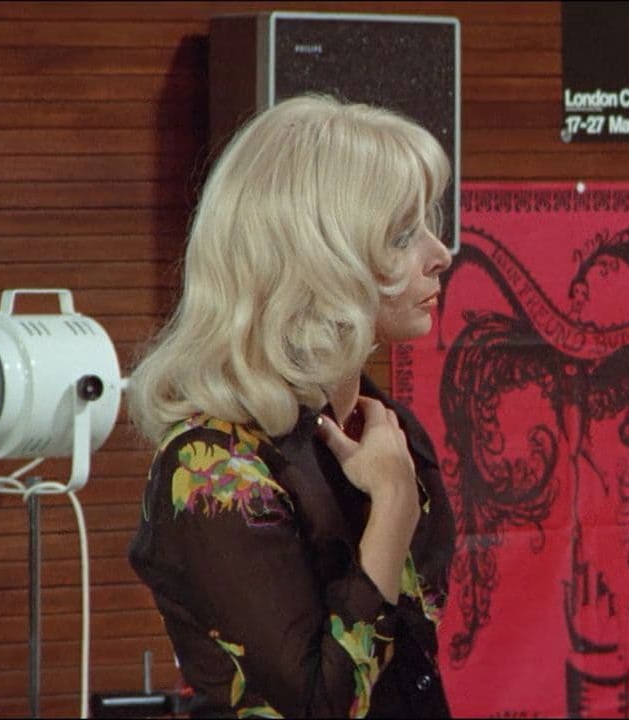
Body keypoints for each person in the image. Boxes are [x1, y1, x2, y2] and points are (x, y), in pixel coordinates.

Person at [126, 94, 455, 718]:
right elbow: (320, 705)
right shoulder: (212, 469)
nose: (440, 253)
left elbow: (413, 665)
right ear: (319, 259)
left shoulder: (390, 428)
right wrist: (391, 509)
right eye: (401, 235)